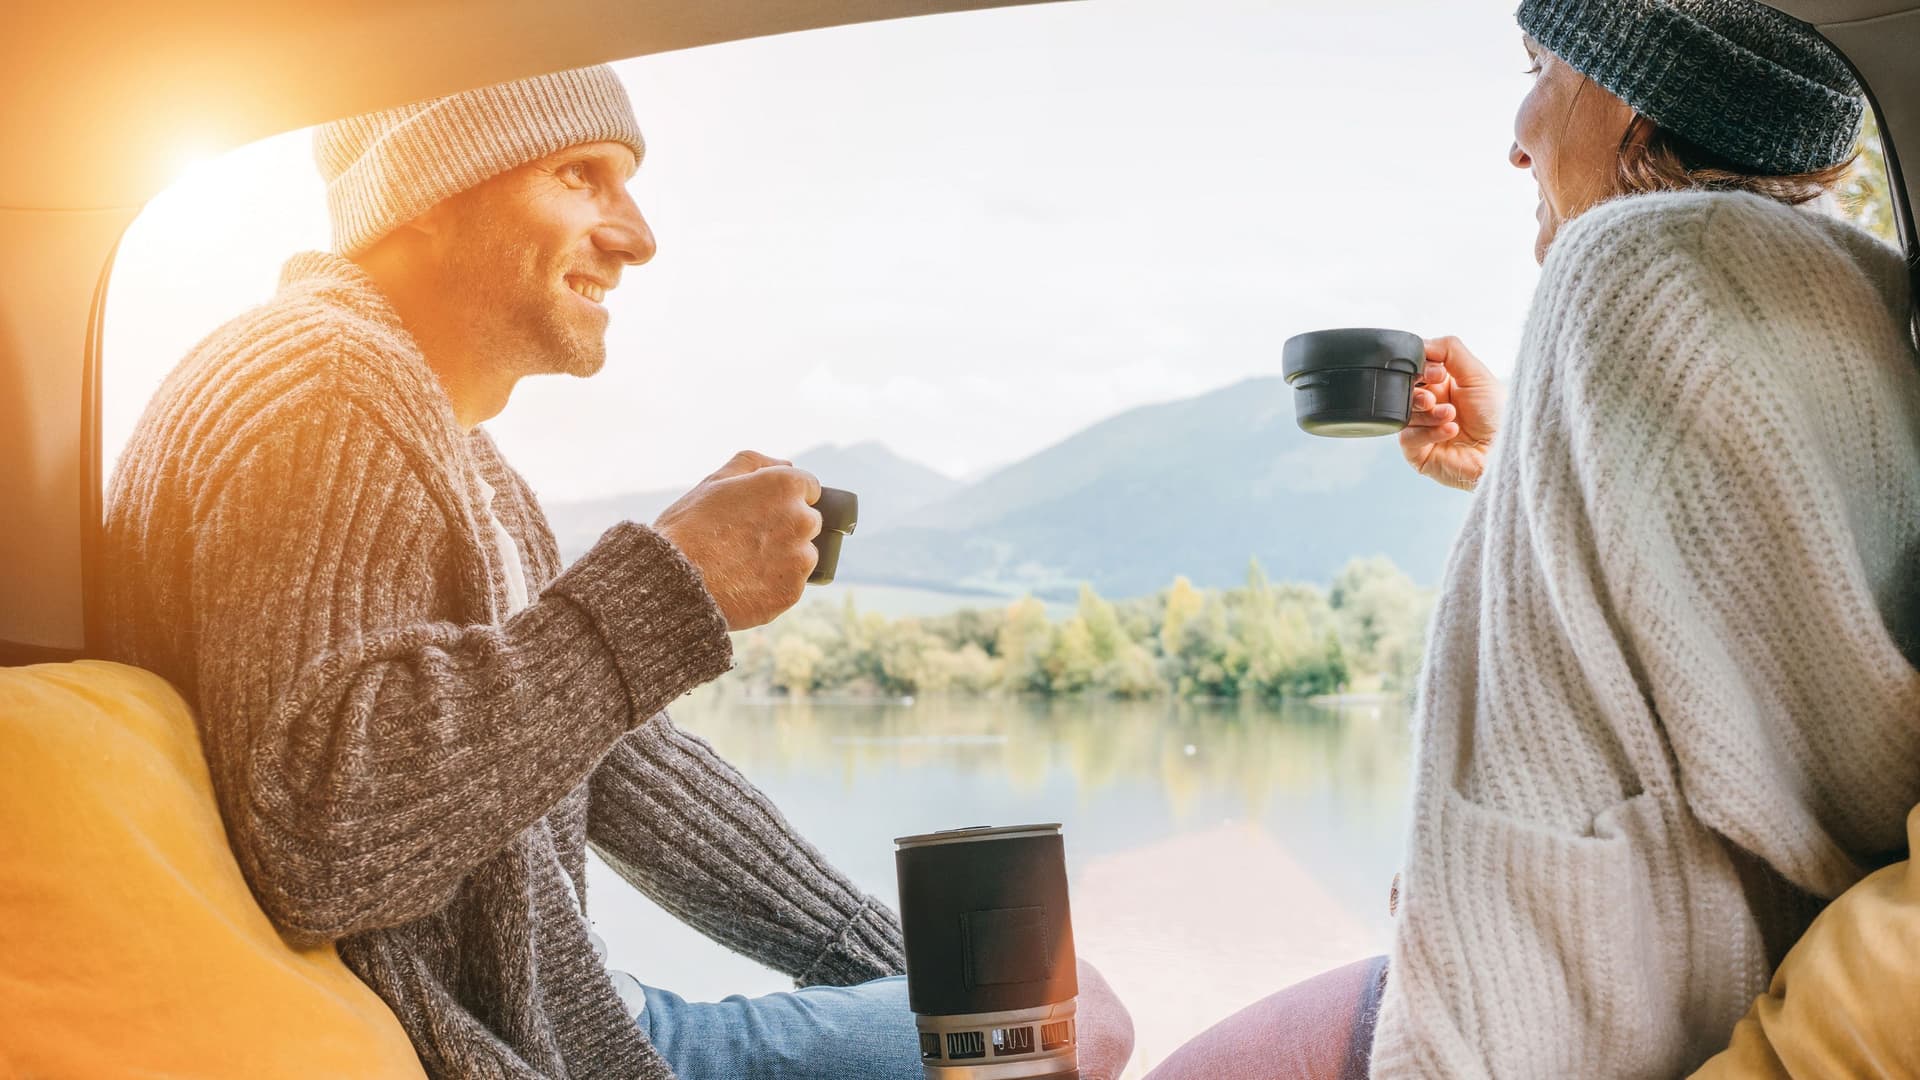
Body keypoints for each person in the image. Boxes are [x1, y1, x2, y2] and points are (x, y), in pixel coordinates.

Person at [101, 66, 1132, 1080]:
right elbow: (322, 836)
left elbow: (621, 762)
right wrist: (670, 582)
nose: (637, 234)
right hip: (523, 1047)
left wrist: (903, 969)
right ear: (426, 193)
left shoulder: (452, 448)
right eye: (577, 176)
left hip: (587, 1016)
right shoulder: (329, 386)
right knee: (1081, 1032)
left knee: (1040, 1007)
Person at [1148, 1, 1920, 1077]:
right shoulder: (1861, 282)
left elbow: (1619, 734)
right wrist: (1525, 457)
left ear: (1640, 99)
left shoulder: (1628, 262)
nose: (1516, 136)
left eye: (1542, 67)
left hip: (1597, 1002)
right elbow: (1743, 638)